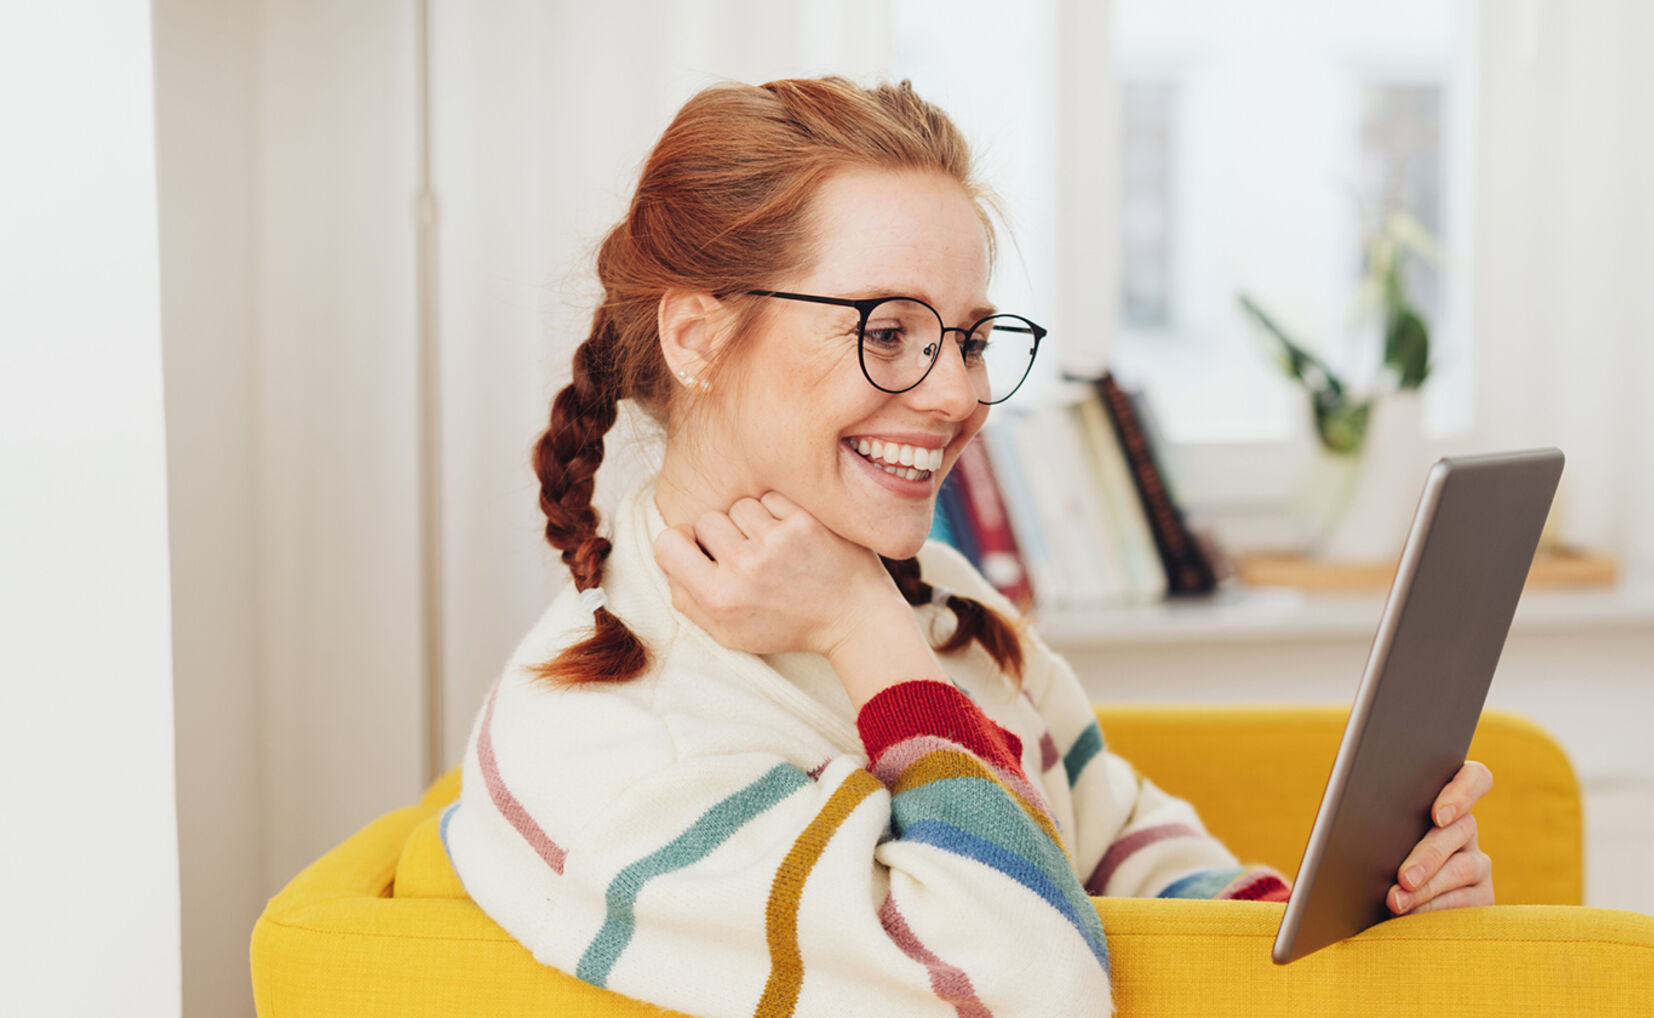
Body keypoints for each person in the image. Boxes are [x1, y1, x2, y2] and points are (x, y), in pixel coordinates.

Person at [442, 77, 1494, 1018]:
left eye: (973, 337)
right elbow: (1023, 992)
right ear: (697, 335)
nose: (960, 395)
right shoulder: (615, 742)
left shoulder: (939, 597)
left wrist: (1369, 928)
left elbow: (1113, 837)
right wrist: (865, 632)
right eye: (888, 331)